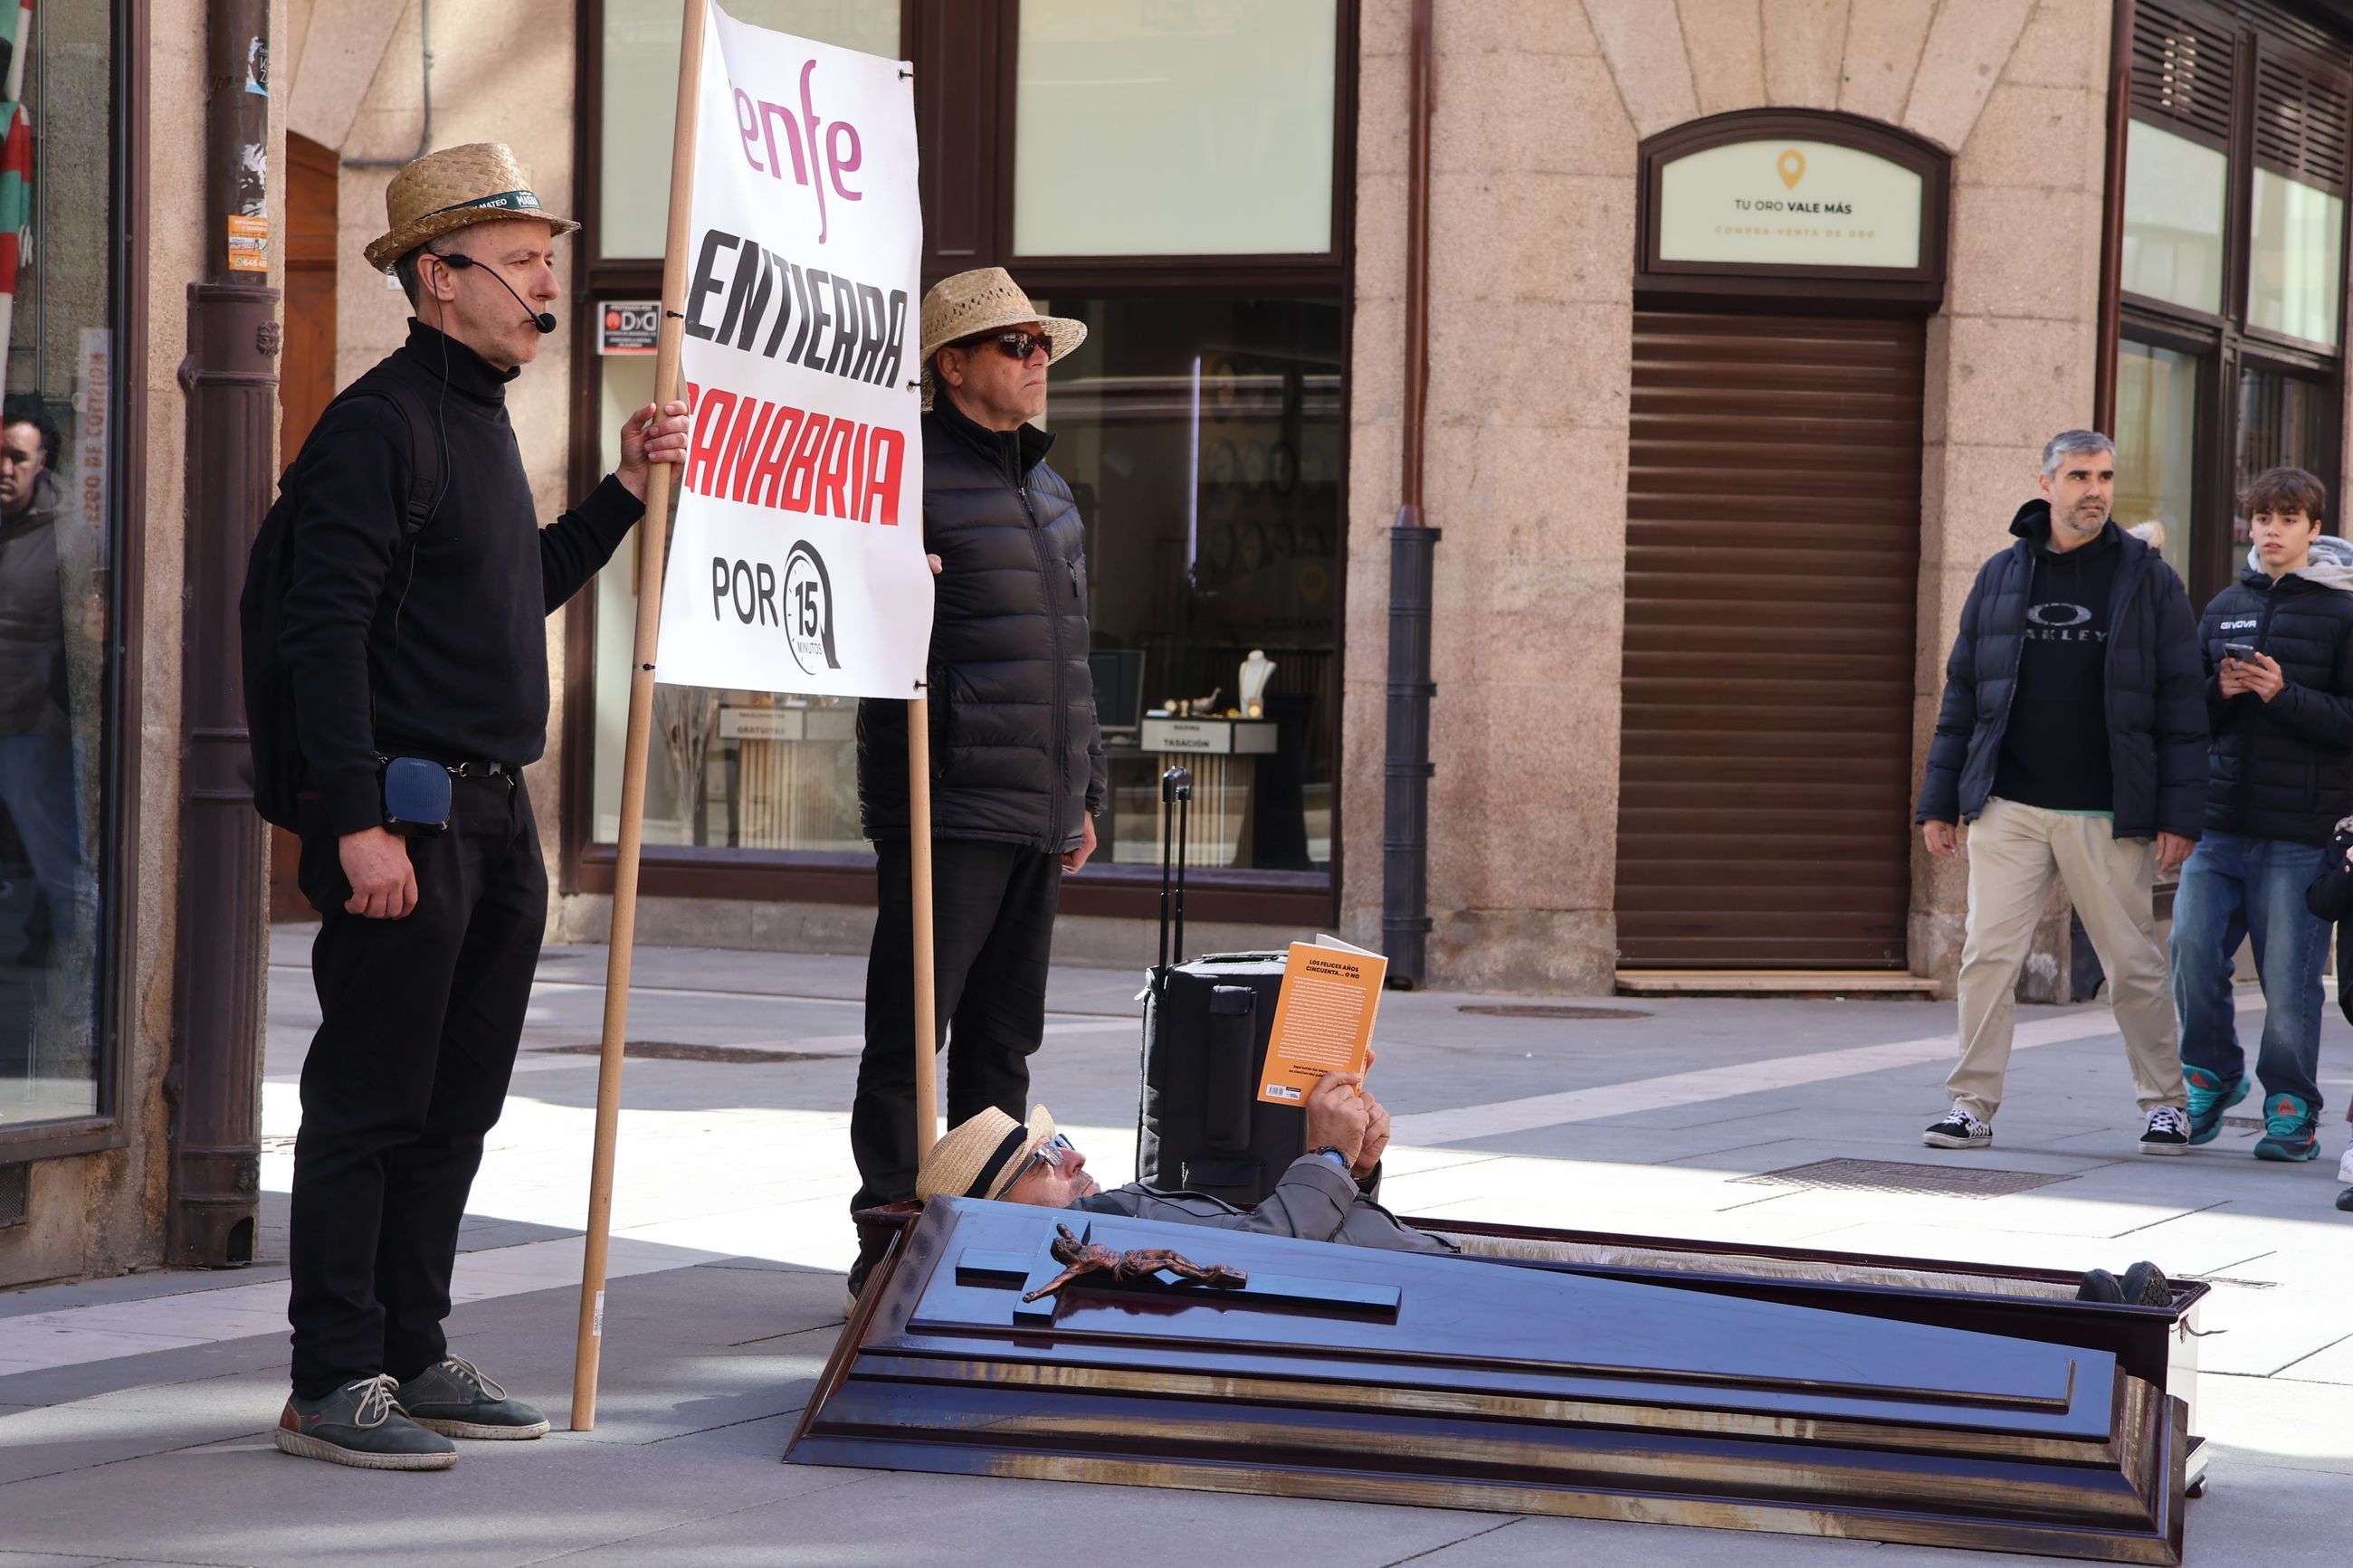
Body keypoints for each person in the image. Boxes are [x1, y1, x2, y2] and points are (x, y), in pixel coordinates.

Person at [268, 144, 688, 1471]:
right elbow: (320, 631)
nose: (546, 285)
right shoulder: (379, 424)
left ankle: (413, 1347)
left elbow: (517, 590)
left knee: (456, 1108)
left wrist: (623, 494)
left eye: (545, 260)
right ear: (438, 277)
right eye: (520, 263)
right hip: (406, 817)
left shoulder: (483, 420)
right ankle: (333, 1376)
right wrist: (353, 820)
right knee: (369, 1102)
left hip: (497, 821)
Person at [846, 268, 1106, 1302]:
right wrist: (886, 585)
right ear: (951, 365)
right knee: (910, 1038)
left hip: (1037, 804)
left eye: (1041, 345)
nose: (1036, 362)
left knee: (1004, 1041)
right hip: (943, 802)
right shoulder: (899, 477)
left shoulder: (1050, 490)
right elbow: (848, 622)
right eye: (1014, 346)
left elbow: (1072, 655)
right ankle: (887, 1244)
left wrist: (1084, 789)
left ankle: (992, 1233)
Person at [1916, 430, 2205, 1155]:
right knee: (1987, 957)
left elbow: (2182, 703)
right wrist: (1940, 798)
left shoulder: (2148, 578)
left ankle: (2165, 1103)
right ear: (2046, 483)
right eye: (2079, 476)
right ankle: (1970, 1104)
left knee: (2132, 963)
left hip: (2106, 809)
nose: (2095, 490)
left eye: (2105, 476)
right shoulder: (2001, 574)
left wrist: (2178, 812)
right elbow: (1963, 692)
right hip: (2009, 803)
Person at [2171, 468, 2353, 1164]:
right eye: (2262, 518)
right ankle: (2212, 1075)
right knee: (2190, 949)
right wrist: (2218, 692)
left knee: (2287, 979)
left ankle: (2291, 1106)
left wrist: (2283, 694)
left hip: (2301, 830)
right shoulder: (2224, 606)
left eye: (2287, 518)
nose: (2272, 531)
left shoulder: (2342, 611)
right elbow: (2189, 721)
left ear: (2314, 527)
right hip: (2220, 823)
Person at [912, 1068, 1454, 1256]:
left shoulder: (1105, 1221)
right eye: (1044, 1159)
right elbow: (1267, 1258)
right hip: (1425, 1279)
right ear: (999, 1211)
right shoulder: (1097, 1234)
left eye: (1060, 1142)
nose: (1074, 1156)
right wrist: (1329, 1156)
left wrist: (1352, 1171)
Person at [0, 395, 90, 967]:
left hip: (29, 729)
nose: (5, 469)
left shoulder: (67, 536)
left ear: (41, 462)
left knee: (61, 872)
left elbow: (84, 642)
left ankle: (81, 989)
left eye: (16, 457)